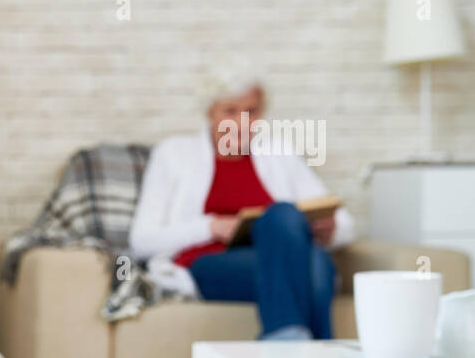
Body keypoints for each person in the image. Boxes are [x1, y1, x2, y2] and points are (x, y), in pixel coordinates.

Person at [129, 73, 353, 340]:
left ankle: (285, 343)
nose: (241, 123)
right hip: (208, 263)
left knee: (284, 215)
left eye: (251, 111)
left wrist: (331, 229)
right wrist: (210, 227)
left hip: (276, 256)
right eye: (230, 111)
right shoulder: (173, 154)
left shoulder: (278, 152)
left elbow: (344, 222)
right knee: (315, 265)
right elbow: (141, 241)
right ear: (209, 113)